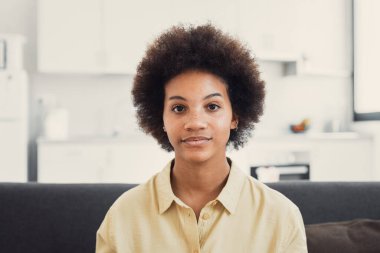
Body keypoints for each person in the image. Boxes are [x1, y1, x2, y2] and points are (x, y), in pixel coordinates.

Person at [96, 24, 307, 253]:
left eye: (212, 106)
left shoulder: (281, 218)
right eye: (178, 108)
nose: (195, 122)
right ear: (162, 119)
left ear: (235, 116)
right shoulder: (122, 218)